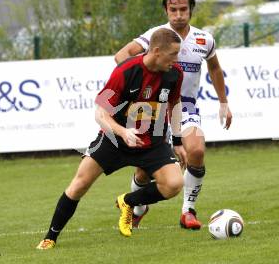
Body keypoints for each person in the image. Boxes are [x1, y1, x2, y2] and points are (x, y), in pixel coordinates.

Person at [37, 28, 187, 249]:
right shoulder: (125, 71)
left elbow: (175, 105)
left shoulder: (175, 73)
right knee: (79, 184)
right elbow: (100, 113)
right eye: (173, 54)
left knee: (174, 183)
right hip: (114, 139)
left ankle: (128, 202)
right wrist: (123, 132)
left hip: (152, 141)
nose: (177, 59)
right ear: (156, 51)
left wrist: (178, 140)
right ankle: (50, 236)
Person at [114, 0, 232, 230]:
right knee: (144, 171)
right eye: (173, 9)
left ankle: (188, 211)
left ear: (191, 10)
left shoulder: (204, 39)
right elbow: (121, 56)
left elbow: (215, 69)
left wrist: (224, 103)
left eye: (183, 9)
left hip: (184, 106)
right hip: (153, 109)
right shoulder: (155, 36)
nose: (178, 14)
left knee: (196, 151)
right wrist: (141, 77)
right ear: (166, 10)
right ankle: (137, 207)